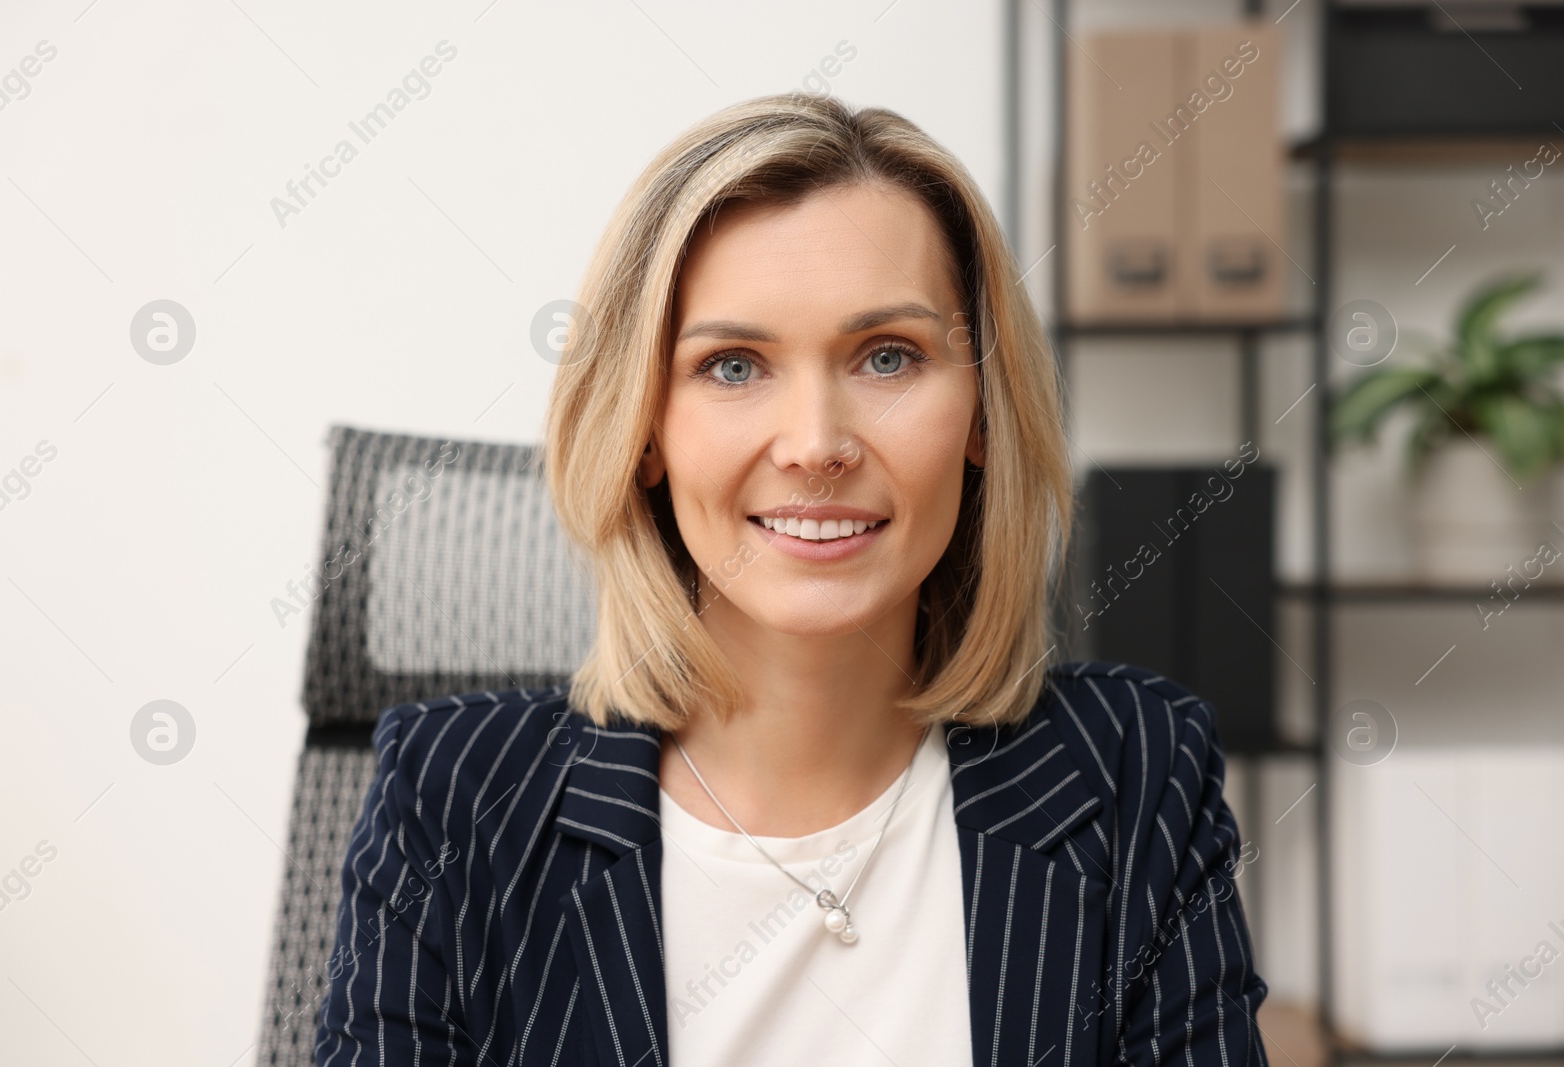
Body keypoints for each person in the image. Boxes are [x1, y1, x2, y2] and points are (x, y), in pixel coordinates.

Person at [314, 91, 1270, 1067]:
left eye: (887, 356)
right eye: (733, 365)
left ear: (983, 410)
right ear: (645, 429)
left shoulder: (1133, 772)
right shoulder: (453, 799)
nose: (816, 445)